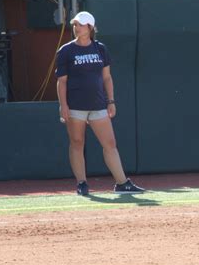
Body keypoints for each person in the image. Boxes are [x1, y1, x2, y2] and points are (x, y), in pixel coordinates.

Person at [55, 11, 144, 196]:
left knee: (110, 143)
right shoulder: (66, 51)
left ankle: (122, 183)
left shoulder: (100, 48)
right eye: (75, 24)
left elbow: (107, 77)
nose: (76, 27)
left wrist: (110, 100)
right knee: (77, 142)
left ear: (89, 27)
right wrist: (63, 105)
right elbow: (61, 81)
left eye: (79, 24)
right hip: (75, 106)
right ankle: (82, 183)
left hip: (98, 105)